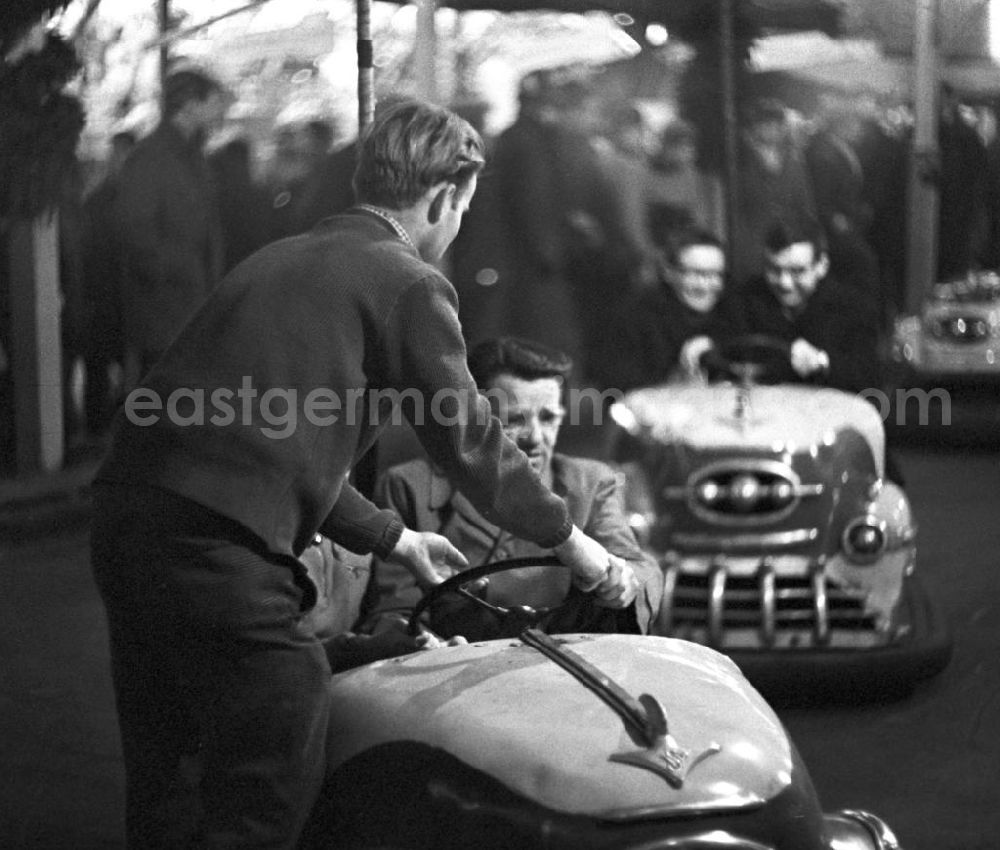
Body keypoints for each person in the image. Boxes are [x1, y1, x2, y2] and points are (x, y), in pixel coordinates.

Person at [90, 98, 635, 849]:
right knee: (271, 764)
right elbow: (470, 437)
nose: (458, 226)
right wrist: (573, 541)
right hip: (219, 547)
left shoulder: (274, 260)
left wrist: (396, 540)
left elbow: (262, 449)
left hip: (128, 520)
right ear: (444, 196)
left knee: (170, 772)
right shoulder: (405, 280)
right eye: (464, 209)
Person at [364, 336, 660, 639]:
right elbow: (395, 609)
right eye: (514, 420)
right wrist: (418, 640)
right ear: (474, 419)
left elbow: (634, 564)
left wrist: (622, 581)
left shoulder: (590, 483)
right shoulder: (409, 487)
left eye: (548, 418)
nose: (534, 437)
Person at [115, 69, 228, 391]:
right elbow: (135, 233)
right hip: (164, 311)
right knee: (165, 401)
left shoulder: (192, 156)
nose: (222, 112)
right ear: (190, 104)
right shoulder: (151, 157)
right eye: (215, 102)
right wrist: (182, 272)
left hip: (190, 306)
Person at [691, 217, 881, 395]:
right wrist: (706, 343)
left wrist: (822, 362)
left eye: (797, 271)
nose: (785, 283)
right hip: (764, 413)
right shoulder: (747, 297)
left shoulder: (854, 307)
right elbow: (724, 337)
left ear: (821, 266)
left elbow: (869, 379)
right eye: (774, 269)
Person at [600, 226, 727, 391]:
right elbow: (620, 394)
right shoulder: (633, 319)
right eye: (696, 274)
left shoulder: (731, 309)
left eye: (716, 275)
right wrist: (679, 376)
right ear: (669, 272)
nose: (706, 285)